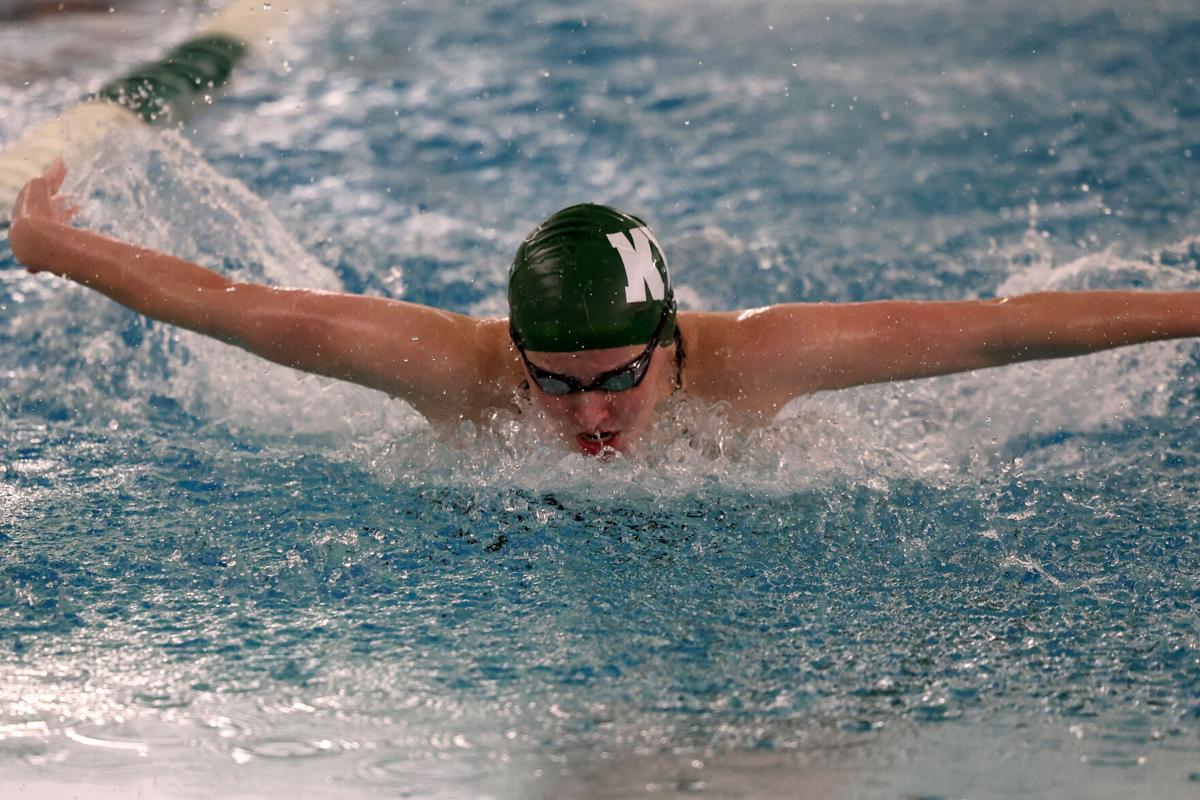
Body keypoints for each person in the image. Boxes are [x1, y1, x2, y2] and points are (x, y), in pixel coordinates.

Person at [9, 161, 1200, 456]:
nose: (592, 417)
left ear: (674, 343)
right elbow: (225, 303)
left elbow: (1006, 326)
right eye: (558, 381)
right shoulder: (452, 368)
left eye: (621, 376)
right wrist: (50, 242)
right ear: (513, 350)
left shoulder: (759, 359)